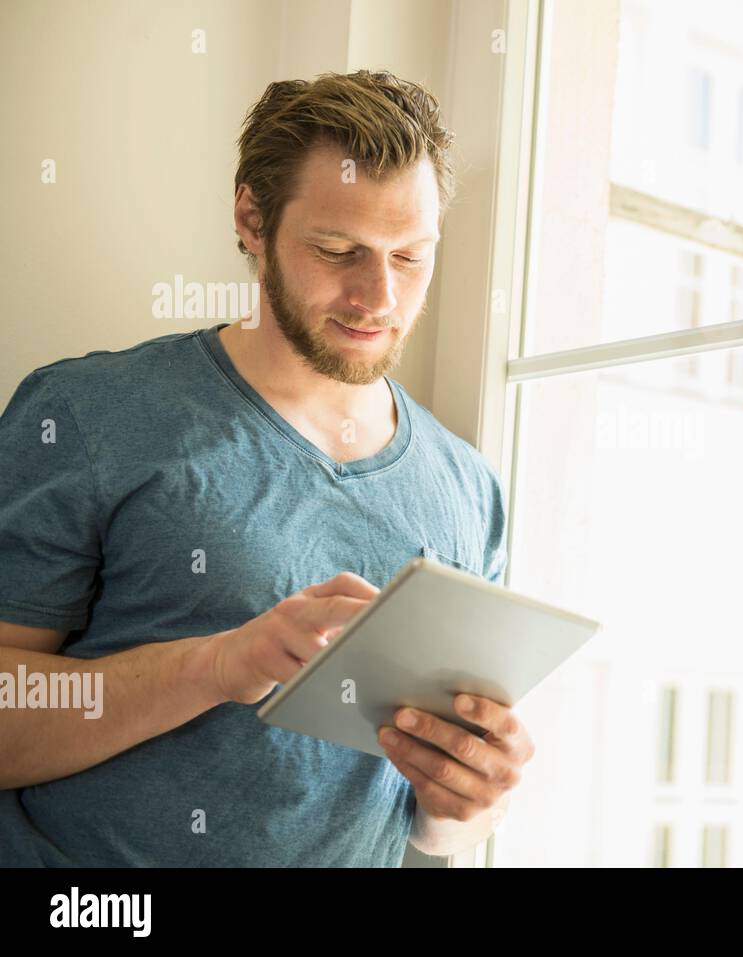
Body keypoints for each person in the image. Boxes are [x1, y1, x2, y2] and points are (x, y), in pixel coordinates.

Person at [0, 69, 533, 866]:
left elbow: (427, 824)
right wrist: (215, 665)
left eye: (411, 257)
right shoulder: (86, 415)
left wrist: (462, 803)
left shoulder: (469, 489)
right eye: (337, 250)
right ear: (252, 217)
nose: (377, 296)